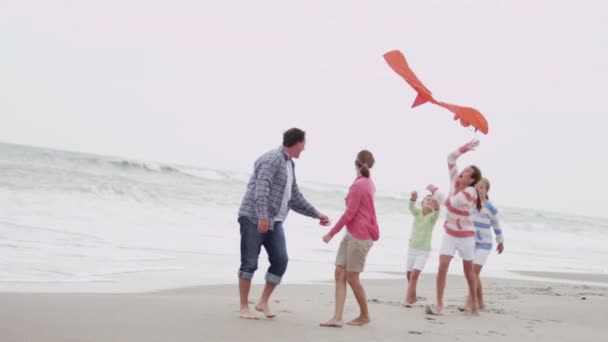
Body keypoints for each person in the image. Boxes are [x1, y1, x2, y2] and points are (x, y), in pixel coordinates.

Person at [237, 128, 329, 320]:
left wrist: (316, 214)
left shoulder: (289, 165)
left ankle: (262, 302)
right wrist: (262, 215)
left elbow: (293, 197)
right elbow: (261, 189)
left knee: (280, 260)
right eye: (304, 144)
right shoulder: (272, 159)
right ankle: (244, 307)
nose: (304, 148)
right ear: (297, 143)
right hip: (254, 217)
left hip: (275, 221)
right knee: (249, 263)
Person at [320, 150, 379, 328]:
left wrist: (331, 233)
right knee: (339, 273)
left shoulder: (360, 185)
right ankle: (337, 318)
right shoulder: (367, 183)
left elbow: (350, 213)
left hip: (359, 236)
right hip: (352, 234)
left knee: (352, 277)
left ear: (355, 163)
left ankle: (365, 315)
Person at [425, 140, 483, 316]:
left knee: (468, 272)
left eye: (467, 173)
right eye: (464, 170)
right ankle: (439, 305)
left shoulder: (471, 192)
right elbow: (450, 157)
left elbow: (449, 203)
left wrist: (434, 190)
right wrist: (464, 149)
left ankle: (473, 301)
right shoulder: (454, 180)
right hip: (450, 234)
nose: (463, 173)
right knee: (442, 267)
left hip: (466, 237)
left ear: (472, 180)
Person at [460, 177, 505, 312]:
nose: (479, 190)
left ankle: (469, 303)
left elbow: (496, 225)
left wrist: (500, 241)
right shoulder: (470, 204)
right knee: (473, 273)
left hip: (484, 244)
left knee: (473, 272)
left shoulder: (490, 207)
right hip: (471, 243)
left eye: (482, 187)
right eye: (476, 187)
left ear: (487, 190)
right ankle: (480, 302)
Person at [404, 190, 440, 307]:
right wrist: (413, 199)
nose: (429, 201)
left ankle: (408, 300)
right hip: (412, 248)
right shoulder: (417, 212)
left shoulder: (432, 217)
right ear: (422, 203)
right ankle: (413, 297)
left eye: (432, 200)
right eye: (427, 199)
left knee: (414, 275)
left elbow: (436, 213)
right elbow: (411, 208)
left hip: (423, 251)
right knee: (409, 275)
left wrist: (437, 207)